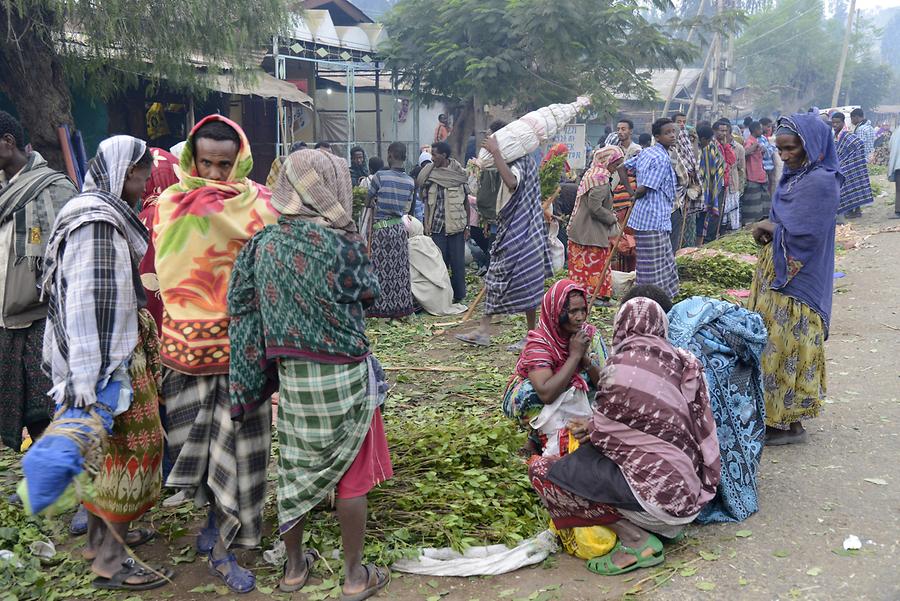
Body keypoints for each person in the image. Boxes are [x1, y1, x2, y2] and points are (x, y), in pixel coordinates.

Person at [228, 148, 392, 599]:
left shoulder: (261, 246)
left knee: (296, 472)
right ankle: (355, 576)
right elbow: (369, 293)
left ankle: (294, 571)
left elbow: (240, 307)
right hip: (346, 376)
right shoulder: (343, 245)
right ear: (332, 187)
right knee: (352, 477)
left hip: (295, 380)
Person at [153, 115, 279, 593]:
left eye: (224, 164)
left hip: (242, 352)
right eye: (205, 162)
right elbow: (164, 267)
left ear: (240, 160)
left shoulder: (262, 205)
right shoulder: (169, 203)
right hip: (183, 353)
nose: (214, 173)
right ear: (191, 158)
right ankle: (211, 520)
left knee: (240, 454)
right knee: (199, 451)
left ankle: (225, 546)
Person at [41, 135, 171, 590]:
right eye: (139, 172)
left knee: (102, 454)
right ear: (121, 172)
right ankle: (112, 562)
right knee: (133, 452)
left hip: (98, 358)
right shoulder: (98, 223)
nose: (143, 181)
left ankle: (100, 541)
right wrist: (91, 379)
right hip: (107, 362)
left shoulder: (90, 211)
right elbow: (87, 305)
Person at [528, 296, 720, 575]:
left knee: (545, 472)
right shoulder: (683, 361)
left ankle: (636, 539)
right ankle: (664, 528)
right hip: (689, 500)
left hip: (658, 508)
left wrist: (591, 429)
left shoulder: (619, 369)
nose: (580, 317)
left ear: (620, 326)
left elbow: (606, 436)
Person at [747, 113, 841, 446]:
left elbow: (808, 234)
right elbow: (781, 220)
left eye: (790, 149)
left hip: (799, 280)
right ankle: (777, 418)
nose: (784, 157)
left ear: (811, 146)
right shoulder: (792, 177)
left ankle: (787, 422)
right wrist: (767, 231)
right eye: (781, 149)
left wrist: (770, 227)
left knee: (788, 346)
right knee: (771, 343)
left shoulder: (822, 181)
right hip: (776, 271)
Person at [0, 110, 77, 453]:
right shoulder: (3, 191)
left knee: (49, 406)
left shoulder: (56, 188)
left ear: (8, 142)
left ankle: (60, 477)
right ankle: (42, 474)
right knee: (23, 408)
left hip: (42, 317)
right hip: (5, 319)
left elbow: (73, 250)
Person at [668, 296, 767, 524]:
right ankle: (738, 482)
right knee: (742, 425)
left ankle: (717, 491)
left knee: (712, 431)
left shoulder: (673, 331)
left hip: (714, 374)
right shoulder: (708, 308)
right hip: (738, 367)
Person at [456, 135, 552, 350]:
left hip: (521, 231)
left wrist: (496, 152)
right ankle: (487, 330)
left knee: (510, 279)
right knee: (505, 279)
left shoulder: (519, 162)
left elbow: (511, 183)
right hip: (523, 230)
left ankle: (527, 334)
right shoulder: (524, 161)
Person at [502, 279, 606, 456]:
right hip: (542, 399)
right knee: (529, 393)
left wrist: (586, 360)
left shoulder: (590, 335)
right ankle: (537, 437)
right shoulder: (540, 342)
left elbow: (606, 385)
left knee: (594, 387)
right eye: (573, 311)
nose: (580, 317)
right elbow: (546, 394)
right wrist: (574, 357)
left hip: (576, 402)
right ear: (556, 312)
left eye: (583, 310)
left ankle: (579, 430)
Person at [623, 118, 679, 299]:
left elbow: (621, 168)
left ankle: (666, 298)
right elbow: (644, 188)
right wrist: (633, 193)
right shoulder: (661, 158)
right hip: (652, 220)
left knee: (664, 261)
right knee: (655, 267)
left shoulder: (647, 152)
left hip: (650, 219)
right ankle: (654, 301)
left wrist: (631, 192)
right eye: (667, 133)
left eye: (673, 132)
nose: (672, 135)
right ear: (657, 136)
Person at [566, 146, 624, 305]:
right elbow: (595, 208)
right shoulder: (601, 180)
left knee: (586, 266)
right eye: (616, 164)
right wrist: (612, 218)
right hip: (589, 231)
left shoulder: (594, 174)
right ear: (607, 162)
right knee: (593, 265)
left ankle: (590, 296)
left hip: (584, 230)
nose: (617, 169)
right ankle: (593, 297)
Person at [366, 142, 416, 318]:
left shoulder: (380, 176)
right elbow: (408, 206)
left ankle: (378, 309)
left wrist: (373, 202)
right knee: (399, 271)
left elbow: (368, 199)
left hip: (381, 229)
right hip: (399, 229)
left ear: (390, 155)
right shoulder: (410, 181)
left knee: (379, 270)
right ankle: (400, 308)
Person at [418, 141, 469, 304]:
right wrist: (427, 224)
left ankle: (459, 295)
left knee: (458, 264)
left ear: (444, 156)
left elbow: (466, 202)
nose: (432, 158)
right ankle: (442, 297)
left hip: (456, 226)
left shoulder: (458, 173)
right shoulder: (429, 175)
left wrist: (467, 226)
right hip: (437, 227)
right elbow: (425, 200)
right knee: (439, 264)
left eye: (435, 154)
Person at [405, 216, 467, 316]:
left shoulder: (412, 244)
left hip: (434, 295)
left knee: (406, 278)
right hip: (444, 292)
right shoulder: (428, 241)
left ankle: (416, 305)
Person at [831, 112, 873, 219]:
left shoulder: (847, 135)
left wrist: (851, 160)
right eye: (833, 123)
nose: (835, 125)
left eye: (837, 122)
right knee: (845, 188)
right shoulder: (833, 136)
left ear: (843, 122)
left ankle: (856, 210)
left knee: (853, 186)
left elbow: (859, 145)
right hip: (839, 166)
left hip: (850, 165)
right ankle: (849, 210)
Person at [670, 113, 701, 250]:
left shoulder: (687, 138)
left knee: (687, 220)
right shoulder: (672, 142)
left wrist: (694, 142)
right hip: (676, 187)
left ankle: (685, 249)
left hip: (688, 185)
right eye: (679, 121)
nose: (682, 124)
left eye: (684, 121)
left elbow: (693, 159)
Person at [696, 125, 725, 246]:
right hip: (694, 191)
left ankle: (698, 246)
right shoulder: (692, 149)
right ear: (702, 139)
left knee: (702, 219)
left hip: (707, 190)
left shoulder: (711, 147)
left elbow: (720, 164)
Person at [741, 121, 769, 226]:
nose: (762, 131)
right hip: (753, 177)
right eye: (760, 129)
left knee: (762, 204)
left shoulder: (756, 141)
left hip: (760, 176)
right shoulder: (750, 141)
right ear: (756, 130)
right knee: (752, 206)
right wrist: (754, 147)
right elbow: (745, 152)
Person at [759, 118, 778, 196]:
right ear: (761, 126)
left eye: (770, 126)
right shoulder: (760, 138)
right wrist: (771, 147)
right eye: (768, 126)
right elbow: (766, 152)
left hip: (771, 165)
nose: (769, 128)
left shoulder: (771, 137)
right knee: (767, 185)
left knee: (773, 183)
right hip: (764, 166)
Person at [890, 127, 900, 219]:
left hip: (898, 164)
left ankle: (898, 211)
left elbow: (891, 147)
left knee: (899, 189)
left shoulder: (896, 132)